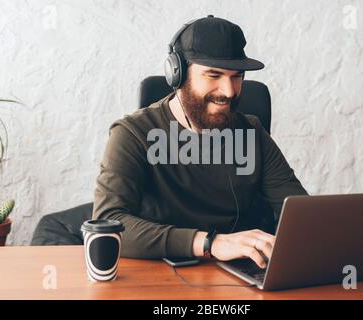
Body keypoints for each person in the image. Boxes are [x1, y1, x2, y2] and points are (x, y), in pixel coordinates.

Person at [92, 15, 308, 269]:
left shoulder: (252, 131)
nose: (229, 91)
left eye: (236, 76)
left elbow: (300, 216)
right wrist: (210, 243)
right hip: (160, 275)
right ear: (178, 74)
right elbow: (108, 224)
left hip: (237, 275)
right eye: (213, 75)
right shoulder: (132, 133)